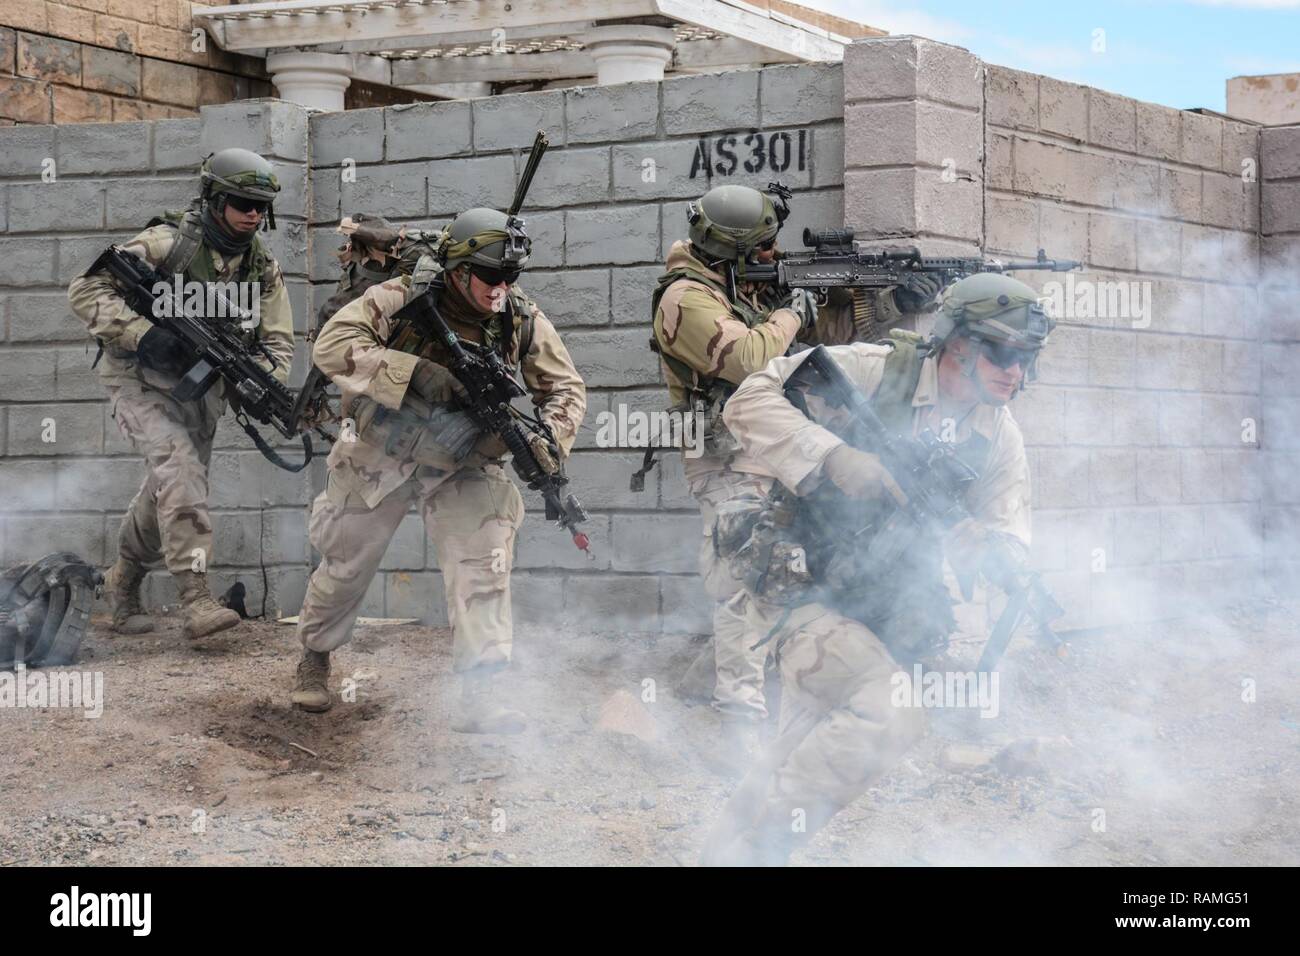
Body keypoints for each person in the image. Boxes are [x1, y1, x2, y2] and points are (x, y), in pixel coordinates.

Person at [702, 272, 1055, 865]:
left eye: (1027, 360)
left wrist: (988, 550)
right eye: (1003, 353)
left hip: (879, 604)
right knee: (892, 713)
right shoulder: (874, 371)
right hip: (800, 581)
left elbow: (1011, 532)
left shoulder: (997, 435)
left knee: (794, 753)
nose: (1015, 372)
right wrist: (835, 456)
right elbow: (748, 402)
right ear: (958, 343)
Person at [650, 183, 940, 742]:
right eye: (762, 247)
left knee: (797, 570)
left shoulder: (748, 289)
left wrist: (890, 305)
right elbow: (747, 359)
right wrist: (793, 309)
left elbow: (825, 348)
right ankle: (738, 714)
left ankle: (727, 678)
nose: (773, 255)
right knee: (744, 570)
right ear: (731, 250)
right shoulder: (685, 298)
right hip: (727, 454)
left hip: (790, 449)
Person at [288, 207, 586, 734]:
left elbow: (564, 388)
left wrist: (550, 440)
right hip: (380, 450)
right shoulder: (401, 297)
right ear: (458, 269)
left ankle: (485, 690)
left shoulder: (520, 317)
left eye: (510, 277)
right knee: (344, 565)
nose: (501, 288)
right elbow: (333, 346)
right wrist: (416, 374)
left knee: (485, 565)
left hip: (463, 460)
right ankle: (315, 655)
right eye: (492, 276)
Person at [68, 148, 293, 640]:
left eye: (260, 205)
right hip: (138, 379)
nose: (252, 214)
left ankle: (122, 582)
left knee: (168, 488)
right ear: (215, 200)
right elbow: (85, 289)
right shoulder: (169, 243)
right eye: (241, 202)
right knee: (179, 470)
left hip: (199, 391)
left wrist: (261, 378)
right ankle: (195, 599)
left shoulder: (262, 267)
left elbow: (278, 342)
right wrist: (143, 335)